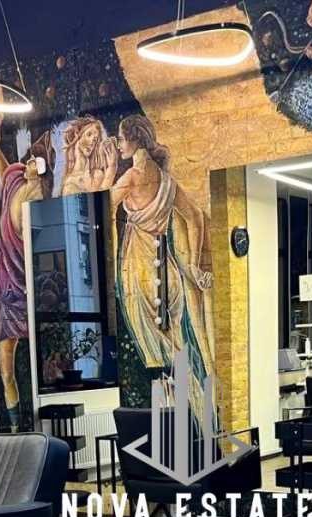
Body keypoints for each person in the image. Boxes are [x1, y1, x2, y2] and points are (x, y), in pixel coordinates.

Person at [110, 114, 216, 424]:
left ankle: (175, 429)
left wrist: (113, 254)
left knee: (159, 357)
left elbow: (102, 209)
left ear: (135, 139)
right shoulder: (166, 181)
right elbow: (195, 217)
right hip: (168, 271)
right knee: (178, 352)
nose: (118, 145)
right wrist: (192, 265)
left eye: (121, 138)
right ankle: (196, 422)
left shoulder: (131, 177)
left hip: (140, 268)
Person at [0, 105, 55, 431]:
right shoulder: (11, 182)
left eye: (35, 162)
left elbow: (36, 242)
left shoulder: (38, 196)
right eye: (28, 159)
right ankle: (16, 430)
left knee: (36, 363)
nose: (28, 164)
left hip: (24, 289)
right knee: (6, 371)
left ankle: (34, 430)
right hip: (5, 290)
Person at [60, 116, 119, 196]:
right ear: (77, 134)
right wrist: (111, 170)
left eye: (95, 139)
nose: (92, 142)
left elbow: (108, 200)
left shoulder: (98, 175)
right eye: (89, 134)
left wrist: (111, 168)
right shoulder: (70, 184)